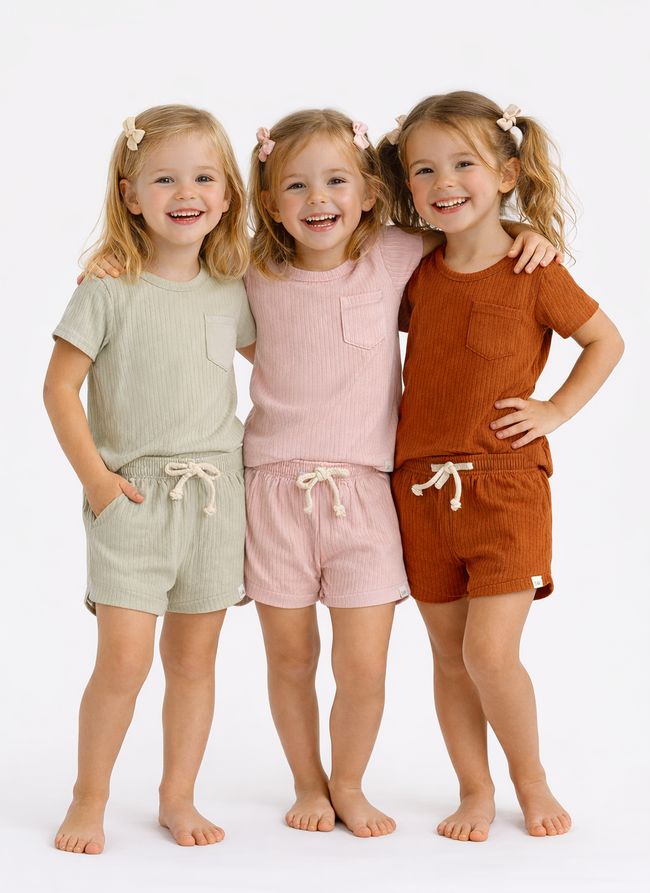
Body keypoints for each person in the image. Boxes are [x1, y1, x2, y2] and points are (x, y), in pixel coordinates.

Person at [243, 108, 557, 837]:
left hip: (368, 493)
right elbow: (181, 270)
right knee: (291, 659)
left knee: (364, 668)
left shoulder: (390, 255)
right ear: (268, 203)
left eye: (335, 181)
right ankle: (307, 783)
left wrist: (524, 234)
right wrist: (113, 262)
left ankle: (347, 782)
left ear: (367, 194)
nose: (317, 199)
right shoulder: (251, 269)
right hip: (271, 488)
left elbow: (470, 229)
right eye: (295, 185)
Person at [379, 92, 624, 841]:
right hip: (417, 489)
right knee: (450, 658)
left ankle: (531, 779)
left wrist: (553, 410)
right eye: (423, 169)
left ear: (509, 172)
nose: (442, 181)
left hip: (506, 487)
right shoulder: (413, 271)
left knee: (490, 651)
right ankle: (474, 790)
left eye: (463, 163)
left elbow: (605, 342)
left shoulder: (533, 267)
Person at [43, 105, 256, 854]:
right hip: (132, 501)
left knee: (195, 662)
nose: (185, 191)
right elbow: (58, 390)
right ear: (132, 194)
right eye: (164, 178)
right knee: (123, 661)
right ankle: (89, 795)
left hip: (215, 503)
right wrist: (98, 482)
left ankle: (178, 795)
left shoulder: (235, 289)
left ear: (228, 193)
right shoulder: (108, 288)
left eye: (203, 177)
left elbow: (290, 368)